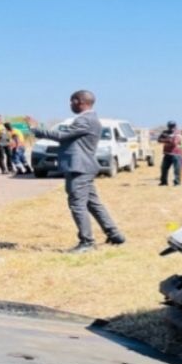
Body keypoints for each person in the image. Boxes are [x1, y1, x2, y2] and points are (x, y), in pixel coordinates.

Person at [28, 90, 125, 253]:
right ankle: (115, 235)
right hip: (82, 167)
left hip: (79, 167)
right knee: (92, 203)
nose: (70, 105)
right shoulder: (88, 119)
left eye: (71, 101)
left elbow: (61, 135)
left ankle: (87, 242)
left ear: (79, 101)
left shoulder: (86, 120)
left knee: (77, 204)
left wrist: (36, 129)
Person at [158, 120, 182, 186]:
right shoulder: (165, 132)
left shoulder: (177, 133)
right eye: (170, 126)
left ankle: (177, 183)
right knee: (163, 168)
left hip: (176, 154)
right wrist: (168, 140)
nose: (171, 128)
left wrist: (165, 140)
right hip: (167, 153)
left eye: (172, 126)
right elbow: (159, 139)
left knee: (176, 169)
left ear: (175, 126)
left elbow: (174, 143)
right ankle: (164, 182)